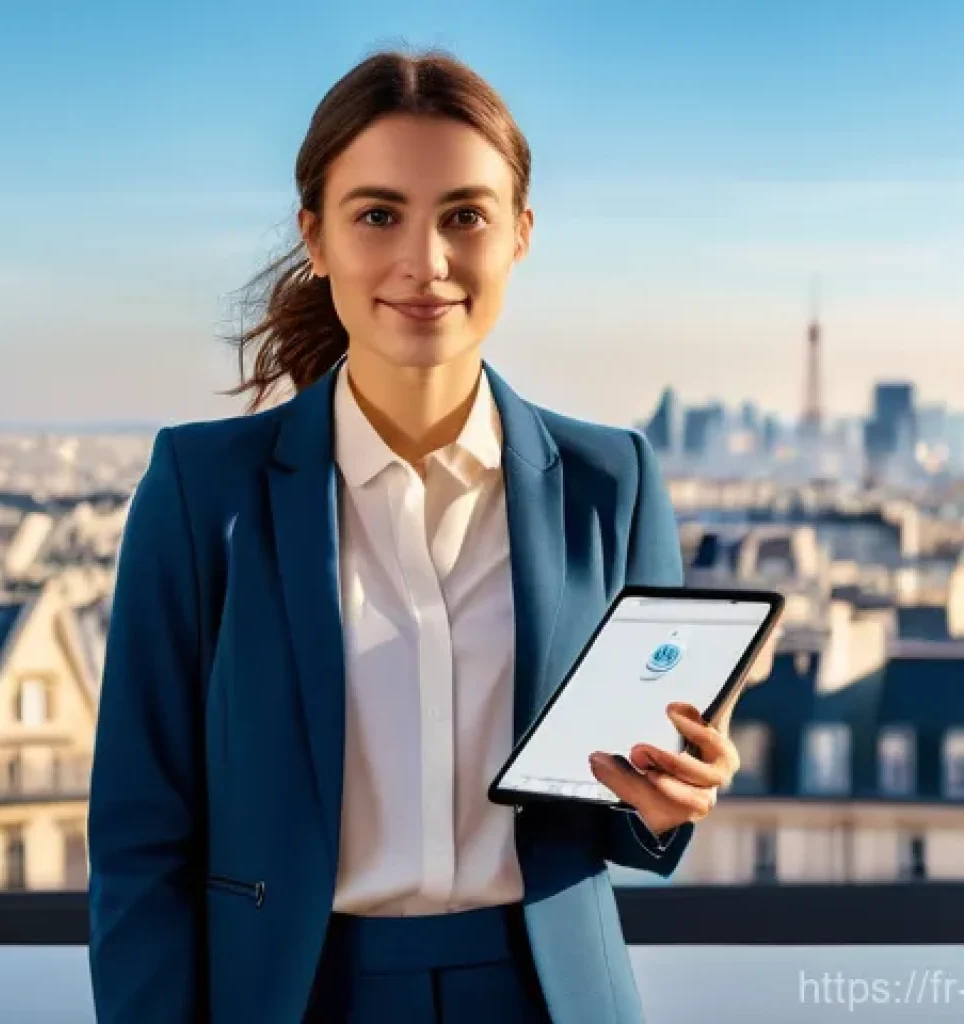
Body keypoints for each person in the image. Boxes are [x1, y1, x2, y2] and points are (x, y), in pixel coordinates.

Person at [87, 47, 765, 1024]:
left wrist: (669, 798)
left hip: (546, 994)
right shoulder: (202, 492)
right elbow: (139, 840)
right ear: (313, 237)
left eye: (464, 216)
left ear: (521, 234)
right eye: (377, 215)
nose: (425, 262)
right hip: (293, 992)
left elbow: (622, 823)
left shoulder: (612, 480)